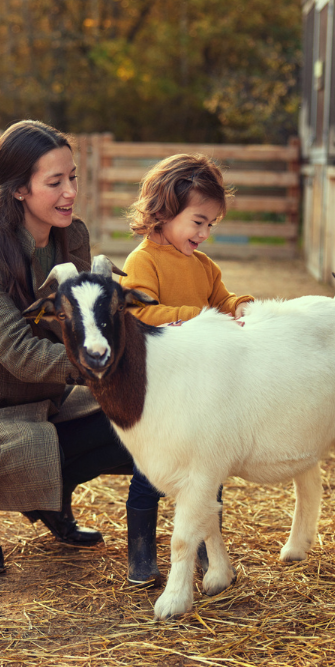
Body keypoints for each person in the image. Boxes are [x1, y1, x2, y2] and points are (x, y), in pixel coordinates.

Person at [0, 120, 137, 575]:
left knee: (127, 412)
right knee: (23, 441)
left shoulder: (72, 237)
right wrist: (97, 366)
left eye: (73, 177)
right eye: (54, 182)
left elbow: (85, 321)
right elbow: (19, 352)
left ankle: (49, 499)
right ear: (19, 190)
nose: (70, 192)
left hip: (48, 402)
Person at [119, 153, 254, 585]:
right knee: (149, 473)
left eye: (211, 224)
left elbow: (223, 299)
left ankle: (203, 550)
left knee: (207, 471)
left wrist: (240, 305)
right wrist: (197, 316)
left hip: (202, 391)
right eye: (198, 221)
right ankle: (141, 553)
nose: (205, 233)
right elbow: (140, 314)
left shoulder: (203, 267)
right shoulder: (143, 262)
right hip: (160, 390)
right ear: (164, 210)